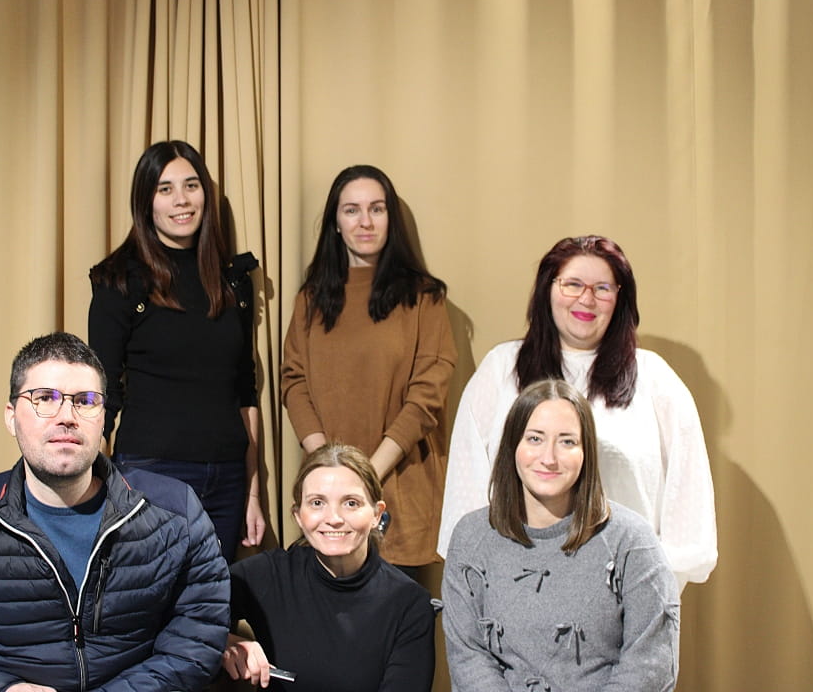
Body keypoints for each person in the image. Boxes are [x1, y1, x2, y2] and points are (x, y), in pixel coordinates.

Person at [0, 332, 230, 692]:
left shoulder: (175, 510)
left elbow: (199, 637)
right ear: (11, 416)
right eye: (45, 398)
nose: (67, 416)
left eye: (85, 400)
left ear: (103, 417)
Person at [438, 235, 716, 588]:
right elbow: (466, 493)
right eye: (572, 284)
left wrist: (651, 588)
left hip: (624, 586)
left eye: (602, 288)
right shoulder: (501, 369)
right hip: (515, 586)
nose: (586, 299)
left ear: (620, 298)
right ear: (548, 289)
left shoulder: (654, 378)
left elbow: (688, 501)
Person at [88, 140, 264, 563]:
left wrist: (253, 491)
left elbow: (245, 391)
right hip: (150, 474)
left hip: (227, 478)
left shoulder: (232, 281)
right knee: (150, 598)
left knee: (213, 599)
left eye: (191, 185)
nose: (181, 200)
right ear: (145, 202)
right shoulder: (120, 280)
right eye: (164, 189)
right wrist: (95, 494)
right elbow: (102, 392)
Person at [443, 379, 680, 691]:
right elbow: (468, 657)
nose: (549, 458)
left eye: (567, 441)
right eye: (535, 439)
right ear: (513, 446)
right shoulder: (470, 537)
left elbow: (651, 664)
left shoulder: (633, 542)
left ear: (586, 453)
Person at [281, 165, 456, 573]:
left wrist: (365, 475)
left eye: (376, 209)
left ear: (391, 219)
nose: (365, 221)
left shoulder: (424, 298)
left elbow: (427, 396)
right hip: (328, 492)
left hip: (400, 487)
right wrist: (330, 470)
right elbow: (293, 381)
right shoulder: (310, 299)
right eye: (352, 210)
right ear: (335, 222)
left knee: (398, 609)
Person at [223, 444, 436, 691]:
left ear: (377, 514)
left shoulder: (409, 604)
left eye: (351, 503)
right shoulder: (269, 574)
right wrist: (223, 642)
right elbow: (187, 612)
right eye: (317, 503)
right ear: (298, 516)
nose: (333, 518)